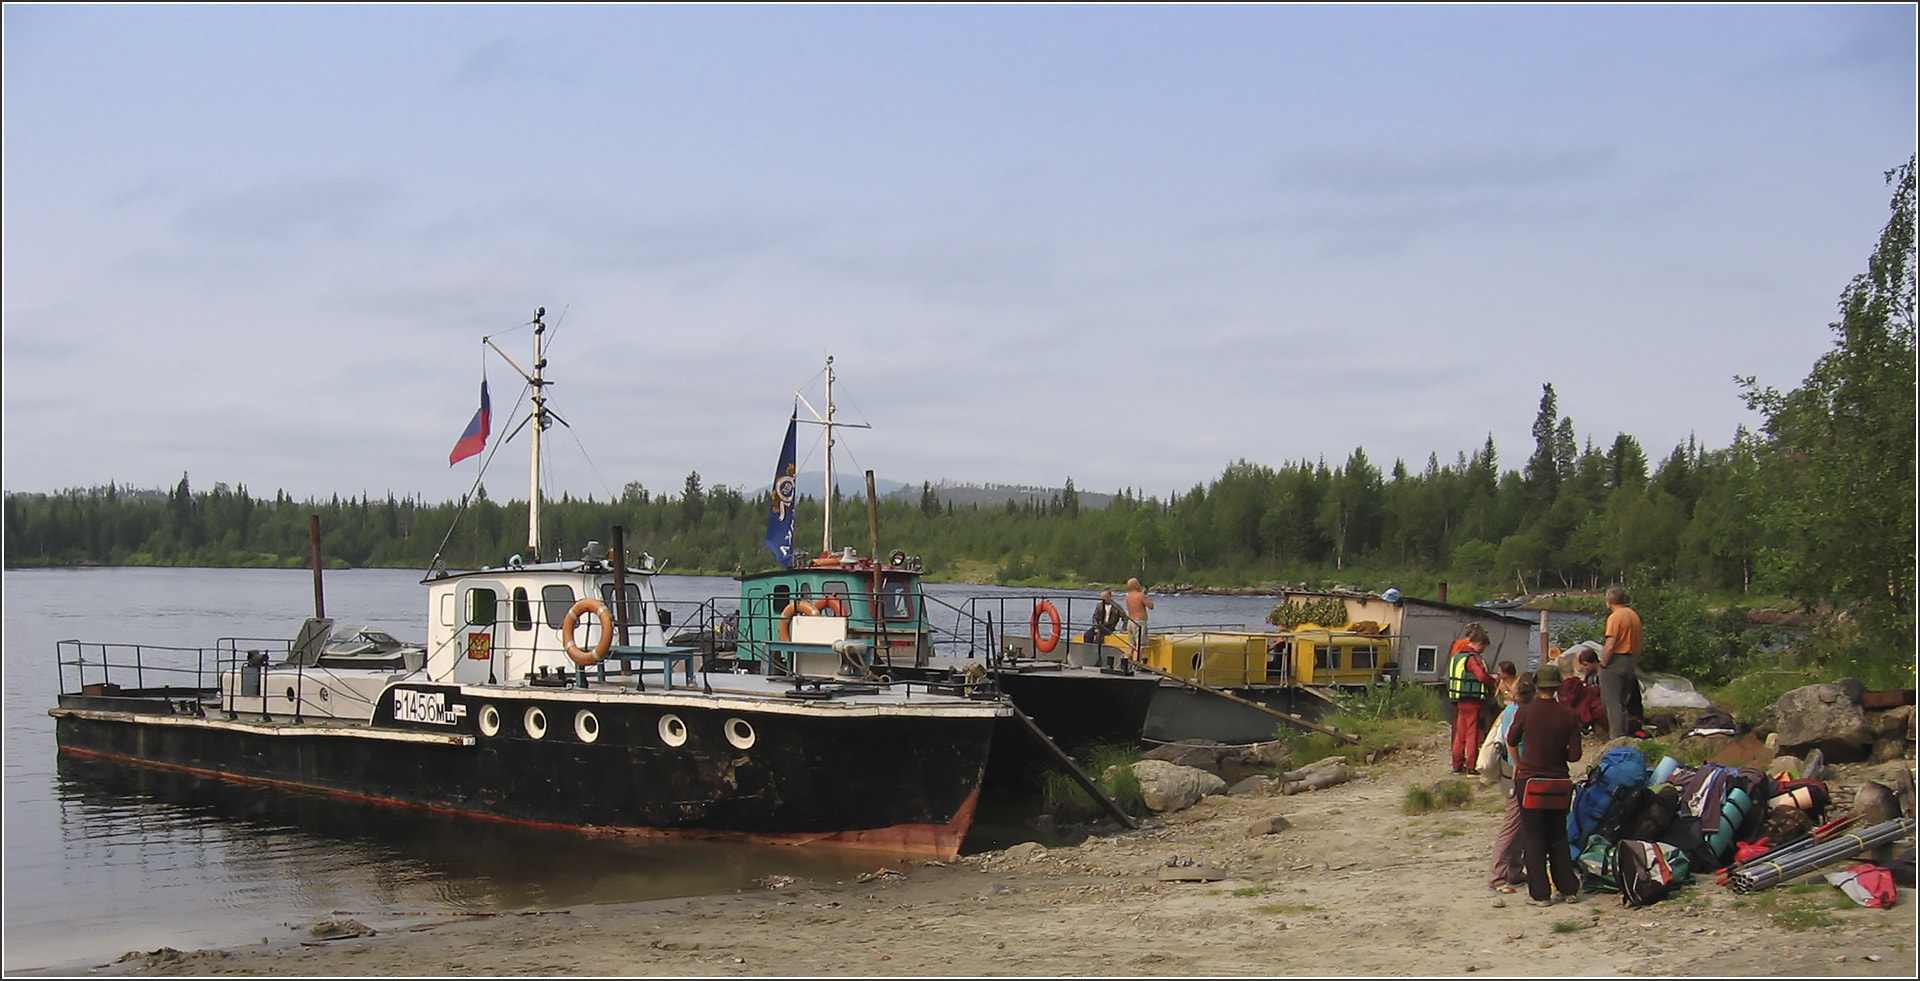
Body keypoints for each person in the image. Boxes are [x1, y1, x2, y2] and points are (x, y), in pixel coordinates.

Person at [1507, 662, 1583, 906]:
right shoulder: (1569, 714)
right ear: (1558, 686)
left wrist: (1519, 763)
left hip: (1530, 781)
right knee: (1559, 834)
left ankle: (1540, 894)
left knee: (1534, 836)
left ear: (1537, 686)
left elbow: (1511, 740)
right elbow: (1574, 756)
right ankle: (1568, 889)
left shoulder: (1525, 712)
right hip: (1559, 781)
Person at [1485, 676, 1535, 894]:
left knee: (1522, 822)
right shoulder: (1520, 713)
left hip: (1510, 769)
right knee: (1513, 823)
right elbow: (1512, 741)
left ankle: (1514, 869)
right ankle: (1497, 874)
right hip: (1517, 770)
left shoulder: (1509, 711)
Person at [1447, 623, 1494, 774]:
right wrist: (1492, 681)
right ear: (1479, 644)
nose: (1482, 651)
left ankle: (1457, 763)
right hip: (1472, 700)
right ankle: (1471, 766)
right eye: (1483, 648)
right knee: (1472, 732)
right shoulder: (1473, 658)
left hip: (1460, 699)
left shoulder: (1458, 655)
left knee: (1460, 732)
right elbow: (1480, 676)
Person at [1599, 587, 1643, 739]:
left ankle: (1617, 737)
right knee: (1623, 701)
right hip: (1630, 660)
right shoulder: (1633, 615)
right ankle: (1624, 733)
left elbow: (1610, 644)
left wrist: (1603, 663)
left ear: (1609, 601)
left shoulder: (1615, 617)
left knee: (1612, 702)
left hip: (1616, 660)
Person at [1561, 648, 1606, 732]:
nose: (1585, 668)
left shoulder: (1603, 674)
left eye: (1586, 664)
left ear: (1594, 661)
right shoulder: (1590, 675)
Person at [1124, 578, 1154, 658]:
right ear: (1137, 586)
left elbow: (1136, 601)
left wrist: (1142, 594)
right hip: (1139, 622)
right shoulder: (1140, 596)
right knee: (1140, 645)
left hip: (1130, 622)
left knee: (1131, 644)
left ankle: (1128, 660)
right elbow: (1151, 606)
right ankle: (1138, 662)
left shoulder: (1128, 596)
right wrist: (1144, 596)